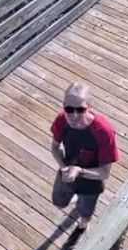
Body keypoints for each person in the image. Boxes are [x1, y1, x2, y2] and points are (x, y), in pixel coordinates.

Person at [50, 83, 119, 233]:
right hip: (67, 170)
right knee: (59, 201)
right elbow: (54, 147)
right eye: (69, 109)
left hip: (91, 181)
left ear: (89, 107)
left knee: (85, 212)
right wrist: (64, 168)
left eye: (80, 110)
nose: (74, 115)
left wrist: (79, 171)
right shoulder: (61, 120)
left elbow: (104, 173)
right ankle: (76, 199)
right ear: (63, 106)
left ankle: (82, 226)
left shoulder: (104, 132)